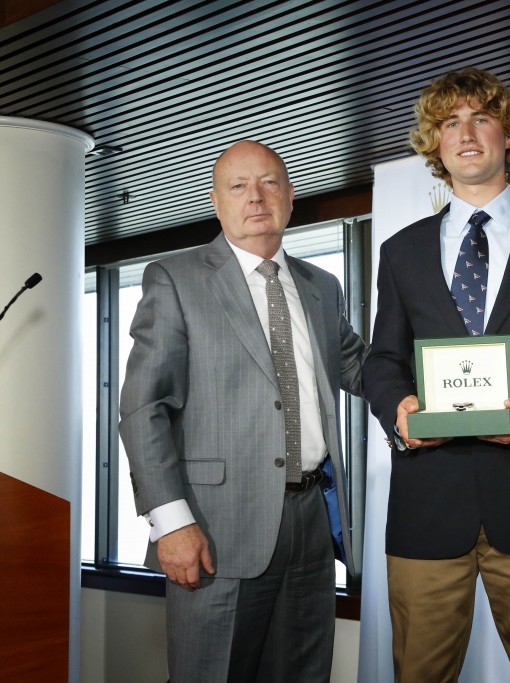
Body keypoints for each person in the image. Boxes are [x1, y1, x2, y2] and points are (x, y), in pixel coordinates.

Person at [361, 67, 510, 683]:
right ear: (435, 144)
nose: (466, 133)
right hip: (426, 506)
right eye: (449, 123)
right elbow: (383, 360)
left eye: (481, 118)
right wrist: (399, 410)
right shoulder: (401, 250)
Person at [119, 140, 366, 682]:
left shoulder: (322, 287)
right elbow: (143, 408)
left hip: (312, 522)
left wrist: (449, 384)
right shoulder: (176, 278)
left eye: (269, 183)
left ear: (290, 196)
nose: (256, 197)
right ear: (216, 201)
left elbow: (361, 368)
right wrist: (171, 523)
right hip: (215, 528)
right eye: (238, 186)